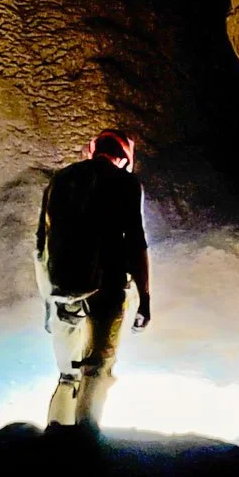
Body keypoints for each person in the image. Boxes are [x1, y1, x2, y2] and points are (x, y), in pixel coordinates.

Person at [35, 129, 152, 431]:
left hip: (63, 290)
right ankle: (86, 443)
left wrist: (48, 301)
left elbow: (41, 246)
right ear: (125, 159)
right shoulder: (126, 184)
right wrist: (145, 298)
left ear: (91, 151)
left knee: (66, 374)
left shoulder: (59, 180)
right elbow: (136, 243)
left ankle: (55, 438)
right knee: (96, 370)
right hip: (107, 289)